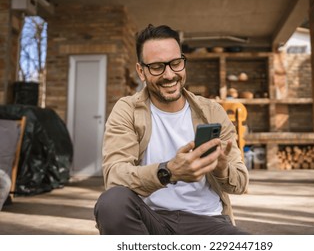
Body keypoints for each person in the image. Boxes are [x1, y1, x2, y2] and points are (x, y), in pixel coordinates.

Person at [94, 24, 249, 235]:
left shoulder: (212, 111)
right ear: (141, 71)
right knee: (111, 203)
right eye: (157, 67)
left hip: (208, 221)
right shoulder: (127, 110)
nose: (169, 75)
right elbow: (115, 176)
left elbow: (240, 183)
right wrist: (169, 171)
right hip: (151, 220)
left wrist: (221, 168)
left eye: (176, 63)